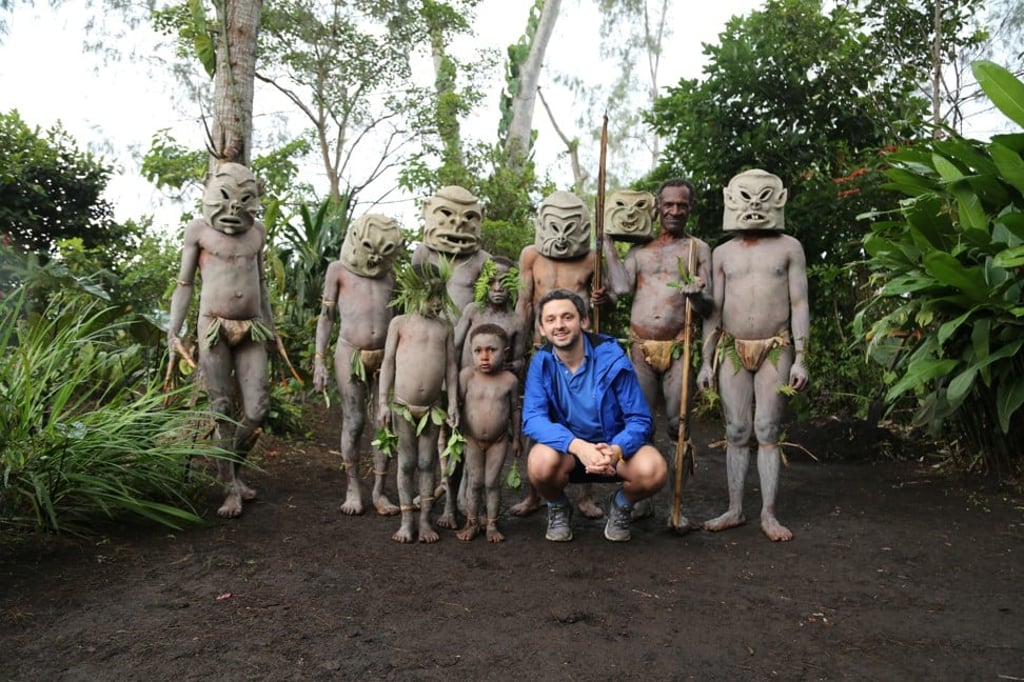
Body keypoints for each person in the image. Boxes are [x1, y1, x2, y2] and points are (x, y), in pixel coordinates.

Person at [697, 168, 810, 542]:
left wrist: (801, 357)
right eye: (747, 197)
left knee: (766, 428)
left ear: (779, 200)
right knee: (736, 429)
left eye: (764, 197)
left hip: (775, 346)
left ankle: (768, 513)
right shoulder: (722, 252)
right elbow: (713, 311)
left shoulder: (789, 247)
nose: (756, 205)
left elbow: (799, 303)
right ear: (731, 200)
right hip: (731, 346)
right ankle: (735, 508)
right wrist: (704, 360)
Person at [167, 161, 276, 519]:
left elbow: (260, 283)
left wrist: (271, 327)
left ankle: (232, 469)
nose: (234, 208)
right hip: (212, 325)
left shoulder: (257, 232)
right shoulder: (198, 231)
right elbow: (185, 285)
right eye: (225, 197)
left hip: (252, 326)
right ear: (209, 191)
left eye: (244, 199)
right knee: (222, 408)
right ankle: (230, 486)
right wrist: (174, 330)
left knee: (258, 408)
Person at [603, 178, 713, 528]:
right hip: (640, 347)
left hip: (679, 345)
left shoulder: (698, 250)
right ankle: (641, 498)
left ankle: (675, 507)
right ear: (658, 206)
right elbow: (620, 288)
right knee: (639, 423)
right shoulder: (640, 252)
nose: (675, 211)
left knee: (679, 426)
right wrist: (606, 243)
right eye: (669, 204)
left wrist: (696, 295)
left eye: (682, 205)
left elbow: (709, 306)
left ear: (690, 208)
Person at [522, 290, 667, 542]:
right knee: (539, 463)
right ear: (542, 329)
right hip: (567, 452)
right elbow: (533, 418)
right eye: (551, 319)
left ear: (583, 321)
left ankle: (621, 503)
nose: (559, 325)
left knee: (654, 469)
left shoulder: (612, 358)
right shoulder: (542, 362)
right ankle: (557, 505)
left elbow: (639, 418)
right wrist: (577, 446)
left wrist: (616, 450)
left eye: (567, 317)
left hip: (611, 450)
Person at [511, 190, 617, 520]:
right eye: (553, 226)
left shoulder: (591, 258)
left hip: (582, 349)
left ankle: (585, 496)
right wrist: (519, 348)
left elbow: (610, 299)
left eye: (569, 227)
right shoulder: (531, 256)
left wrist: (603, 299)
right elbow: (524, 303)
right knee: (537, 420)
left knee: (588, 416)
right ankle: (535, 493)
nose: (560, 236)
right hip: (542, 349)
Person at [312, 213, 404, 516]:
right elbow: (326, 319)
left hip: (385, 356)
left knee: (384, 421)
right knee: (354, 421)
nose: (376, 257)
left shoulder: (391, 277)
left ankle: (379, 490)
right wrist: (319, 360)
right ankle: (353, 487)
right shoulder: (338, 270)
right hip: (350, 352)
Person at [377, 264, 460, 543]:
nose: (437, 303)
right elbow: (388, 363)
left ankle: (424, 520)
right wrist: (382, 402)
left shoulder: (444, 327)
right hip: (402, 406)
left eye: (440, 296)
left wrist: (453, 404)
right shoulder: (399, 323)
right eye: (431, 296)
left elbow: (450, 367)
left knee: (427, 462)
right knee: (407, 461)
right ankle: (406, 520)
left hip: (432, 409)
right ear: (413, 293)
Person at [456, 323, 521, 543]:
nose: (484, 356)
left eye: (491, 350)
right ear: (471, 352)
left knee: (492, 482)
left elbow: (514, 409)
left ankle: (492, 523)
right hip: (472, 439)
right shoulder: (467, 377)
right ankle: (472, 522)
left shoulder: (509, 381)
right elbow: (456, 405)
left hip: (499, 440)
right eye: (478, 350)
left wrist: (517, 439)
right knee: (475, 482)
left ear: (505, 352)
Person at [411, 185, 491, 316]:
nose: (458, 223)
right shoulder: (423, 253)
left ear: (481, 215)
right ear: (426, 209)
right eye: (446, 213)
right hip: (427, 331)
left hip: (463, 331)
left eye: (469, 217)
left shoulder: (483, 260)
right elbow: (412, 295)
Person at [453, 256, 527, 377]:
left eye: (504, 281)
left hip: (493, 388)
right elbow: (456, 346)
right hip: (466, 384)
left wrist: (512, 366)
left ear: (513, 284)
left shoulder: (516, 322)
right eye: (491, 281)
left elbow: (518, 360)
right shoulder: (472, 311)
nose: (497, 288)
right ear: (483, 283)